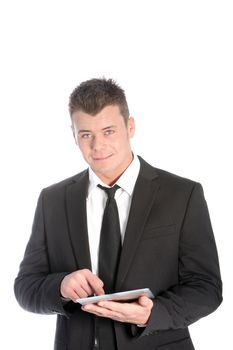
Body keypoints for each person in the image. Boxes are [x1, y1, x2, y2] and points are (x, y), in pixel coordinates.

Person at [14, 78, 222, 350]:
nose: (98, 146)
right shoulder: (52, 200)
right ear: (73, 136)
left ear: (130, 126)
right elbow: (26, 287)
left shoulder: (182, 195)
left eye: (108, 131)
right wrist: (61, 286)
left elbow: (207, 288)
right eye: (86, 134)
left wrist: (152, 313)